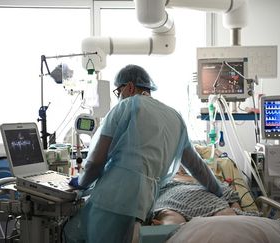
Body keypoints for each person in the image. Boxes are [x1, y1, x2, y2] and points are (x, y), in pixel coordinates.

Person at [64, 64, 224, 243]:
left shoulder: (125, 107)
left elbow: (96, 161)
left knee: (69, 234)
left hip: (112, 199)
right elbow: (197, 167)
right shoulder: (175, 118)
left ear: (130, 87)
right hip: (142, 204)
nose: (119, 96)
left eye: (118, 91)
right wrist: (219, 191)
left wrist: (81, 183)